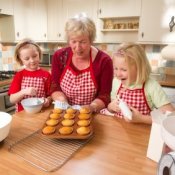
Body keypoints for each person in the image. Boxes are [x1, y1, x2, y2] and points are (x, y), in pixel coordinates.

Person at [50, 14, 113, 112]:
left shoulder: (104, 61)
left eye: (83, 42)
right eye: (73, 41)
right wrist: (63, 102)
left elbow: (104, 95)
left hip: (93, 114)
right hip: (64, 110)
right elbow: (54, 86)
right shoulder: (60, 56)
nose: (78, 47)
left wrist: (92, 107)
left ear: (91, 40)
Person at [107, 43, 175, 124]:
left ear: (139, 69)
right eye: (115, 68)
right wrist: (110, 107)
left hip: (143, 132)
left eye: (124, 70)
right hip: (120, 130)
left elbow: (171, 116)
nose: (118, 74)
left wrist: (142, 119)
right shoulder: (116, 82)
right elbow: (111, 107)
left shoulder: (151, 86)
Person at [8, 38, 52, 112]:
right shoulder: (19, 75)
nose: (32, 60)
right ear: (21, 60)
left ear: (39, 54)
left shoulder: (46, 75)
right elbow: (12, 99)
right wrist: (24, 92)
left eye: (34, 56)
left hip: (41, 112)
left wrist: (48, 100)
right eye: (27, 58)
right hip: (22, 114)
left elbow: (51, 95)